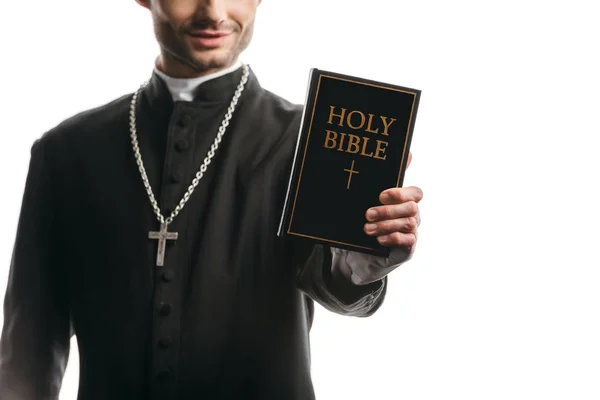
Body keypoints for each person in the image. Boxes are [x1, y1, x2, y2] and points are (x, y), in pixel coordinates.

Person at [0, 0, 423, 399]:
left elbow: (333, 281)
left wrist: (361, 264)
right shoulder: (66, 152)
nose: (213, 12)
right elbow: (28, 346)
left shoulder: (306, 141)